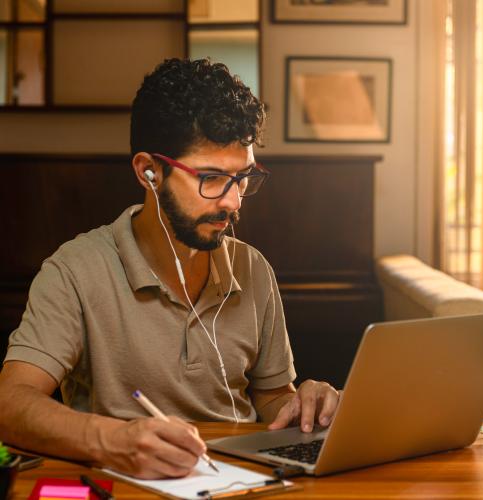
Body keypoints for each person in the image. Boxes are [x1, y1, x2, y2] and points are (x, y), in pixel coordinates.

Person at [0, 58, 339, 479]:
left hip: (240, 481)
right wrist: (114, 440)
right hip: (125, 482)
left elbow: (272, 399)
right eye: (211, 178)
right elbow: (11, 404)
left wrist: (303, 405)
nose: (234, 202)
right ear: (149, 172)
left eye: (243, 177)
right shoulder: (74, 270)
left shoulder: (253, 268)